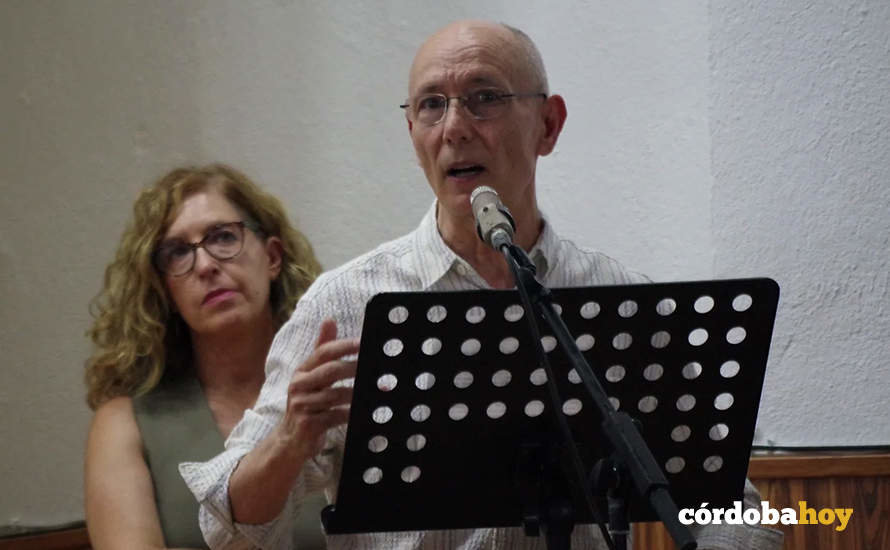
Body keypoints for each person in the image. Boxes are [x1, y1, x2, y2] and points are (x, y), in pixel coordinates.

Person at [181, 21, 784, 549]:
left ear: (549, 125)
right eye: (430, 106)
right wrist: (289, 441)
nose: (455, 128)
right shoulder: (345, 303)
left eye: (484, 98)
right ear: (412, 133)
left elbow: (735, 509)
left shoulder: (614, 295)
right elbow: (227, 528)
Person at [83, 164, 327, 549]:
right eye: (178, 253)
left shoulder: (334, 389)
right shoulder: (125, 425)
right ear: (165, 291)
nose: (206, 264)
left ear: (273, 257)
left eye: (224, 237)